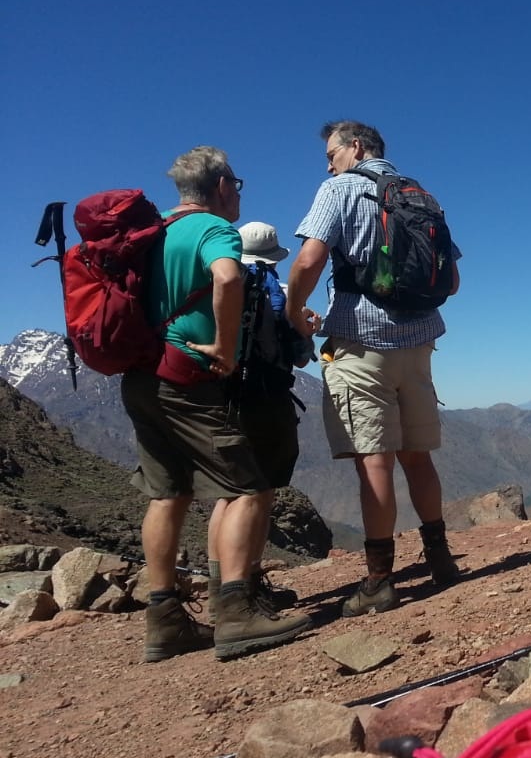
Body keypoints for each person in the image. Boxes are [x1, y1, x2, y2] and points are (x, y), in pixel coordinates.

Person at [121, 147, 311, 662]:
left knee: (167, 494)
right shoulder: (213, 229)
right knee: (247, 485)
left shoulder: (152, 229)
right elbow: (227, 277)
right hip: (186, 376)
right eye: (238, 185)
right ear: (223, 185)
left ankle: (165, 621)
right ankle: (236, 613)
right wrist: (225, 348)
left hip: (140, 374)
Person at [285, 120, 462, 618]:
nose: (328, 163)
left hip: (361, 343)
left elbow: (308, 260)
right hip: (421, 341)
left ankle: (380, 581)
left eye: (332, 153)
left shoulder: (339, 189)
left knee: (375, 460)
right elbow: (452, 282)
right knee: (418, 456)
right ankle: (441, 559)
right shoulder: (423, 196)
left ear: (356, 148)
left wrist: (294, 312)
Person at [206, 222, 315, 615]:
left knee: (229, 493)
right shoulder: (279, 295)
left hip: (221, 399)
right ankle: (246, 584)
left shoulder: (219, 285)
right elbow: (300, 355)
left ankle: (219, 586)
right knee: (258, 493)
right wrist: (308, 329)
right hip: (267, 399)